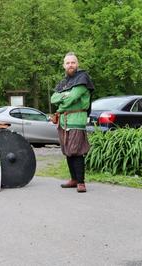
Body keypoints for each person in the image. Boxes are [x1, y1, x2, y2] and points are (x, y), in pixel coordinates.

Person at [50, 52, 94, 193]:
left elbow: (72, 98)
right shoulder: (64, 82)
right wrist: (64, 95)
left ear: (77, 64)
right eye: (68, 63)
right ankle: (74, 179)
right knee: (68, 151)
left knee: (76, 151)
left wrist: (62, 104)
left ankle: (81, 182)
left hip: (76, 120)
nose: (70, 65)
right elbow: (53, 98)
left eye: (73, 62)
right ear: (64, 65)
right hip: (64, 121)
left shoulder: (82, 78)